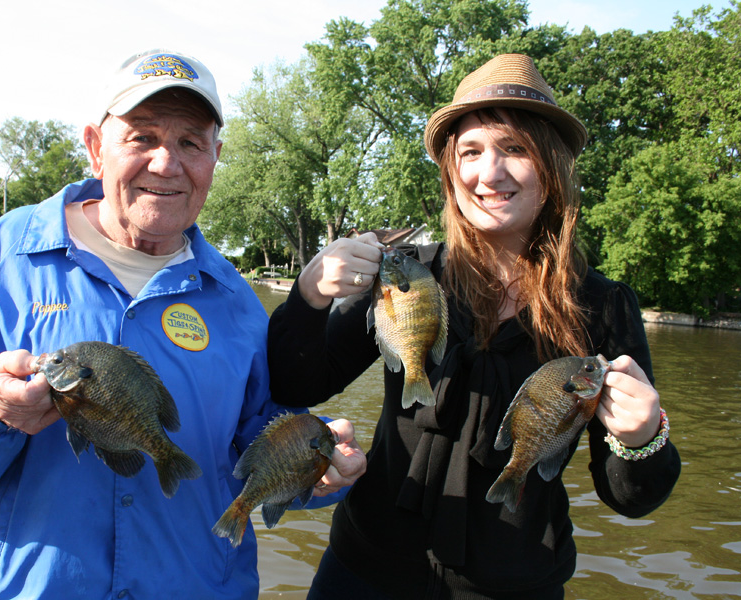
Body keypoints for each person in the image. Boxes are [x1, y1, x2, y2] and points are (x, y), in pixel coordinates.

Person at [0, 49, 365, 599]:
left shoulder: (235, 298)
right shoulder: (7, 255)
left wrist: (312, 468)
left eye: (190, 142)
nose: (166, 163)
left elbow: (249, 445)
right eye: (142, 137)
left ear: (215, 157)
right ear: (95, 147)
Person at [267, 54, 681, 599]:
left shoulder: (604, 308)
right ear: (450, 171)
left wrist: (643, 438)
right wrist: (309, 294)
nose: (489, 174)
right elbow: (296, 385)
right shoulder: (407, 275)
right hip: (365, 573)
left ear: (551, 168)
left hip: (514, 585)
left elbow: (628, 498)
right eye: (470, 152)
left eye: (515, 149)